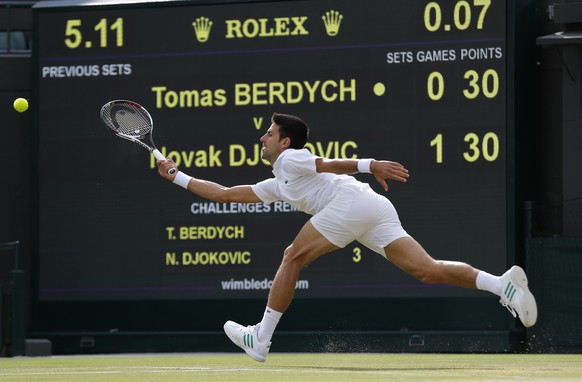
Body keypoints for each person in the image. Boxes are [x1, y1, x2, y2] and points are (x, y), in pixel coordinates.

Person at [157, 112, 537, 362]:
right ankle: (501, 285)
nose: (263, 137)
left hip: (349, 200)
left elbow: (326, 163)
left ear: (285, 142)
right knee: (427, 270)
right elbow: (224, 193)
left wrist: (370, 164)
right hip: (370, 208)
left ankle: (261, 338)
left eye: (269, 133)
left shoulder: (292, 158)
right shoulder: (279, 182)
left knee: (292, 256)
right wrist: (178, 177)